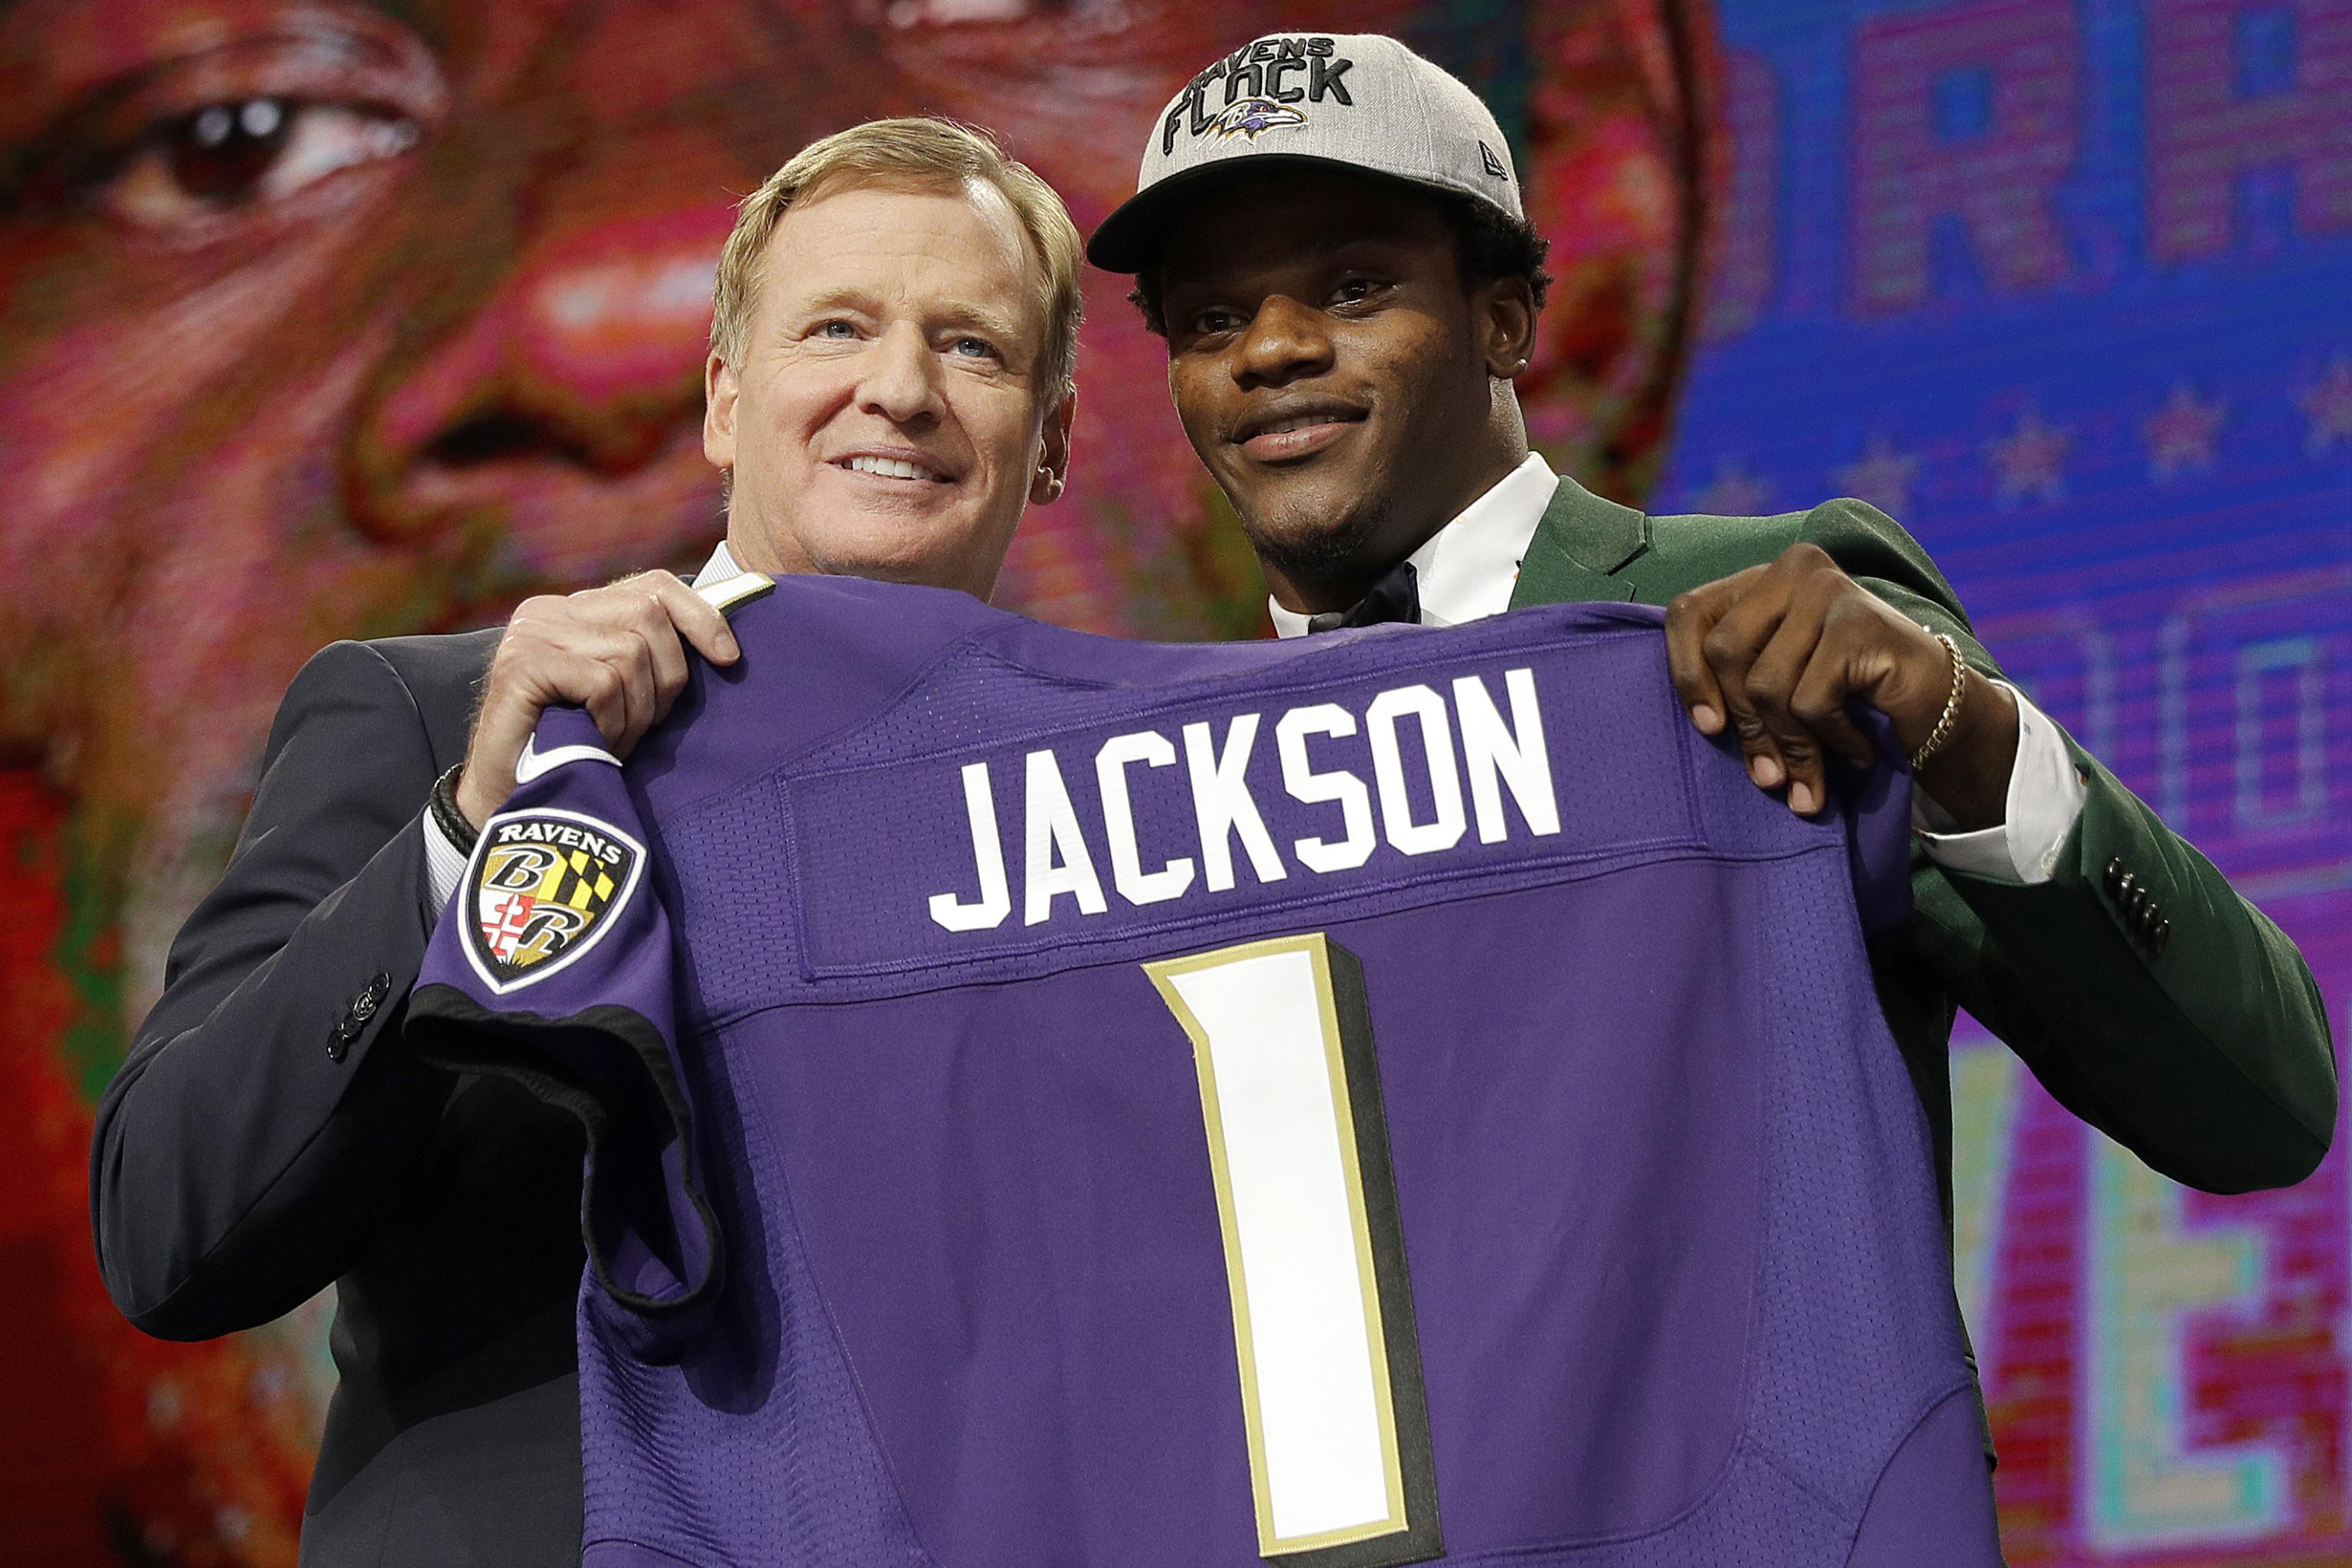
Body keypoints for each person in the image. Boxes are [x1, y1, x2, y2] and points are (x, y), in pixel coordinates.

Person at [1088, 28, 2337, 1439]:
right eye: (1208, 319)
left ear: (1506, 320)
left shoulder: (1766, 610)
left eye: (1355, 286)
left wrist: (1955, 726)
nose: (1271, 351)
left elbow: (2258, 1105)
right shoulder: (1157, 783)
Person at [88, 116, 1082, 1567]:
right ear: (726, 404)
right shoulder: (438, 723)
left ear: (1049, 438)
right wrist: (472, 829)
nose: (900, 389)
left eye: (974, 348)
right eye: (837, 328)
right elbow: (169, 1228)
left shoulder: (1099, 815)